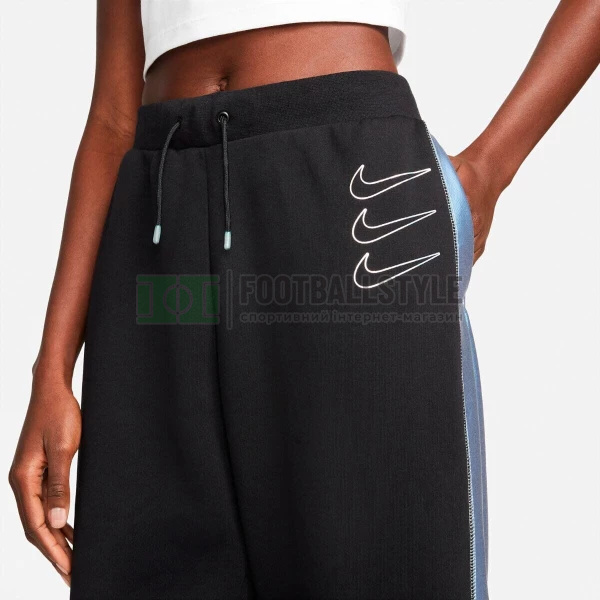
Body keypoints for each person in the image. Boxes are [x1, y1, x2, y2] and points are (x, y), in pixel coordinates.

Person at [8, 1, 600, 598]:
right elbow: (113, 116)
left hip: (344, 197)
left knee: (378, 565)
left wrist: (489, 170)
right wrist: (51, 370)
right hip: (161, 214)